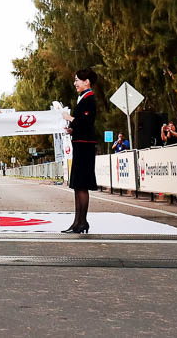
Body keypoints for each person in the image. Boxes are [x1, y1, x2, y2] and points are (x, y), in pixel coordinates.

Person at [61, 68, 100, 234]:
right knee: (77, 185)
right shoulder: (83, 98)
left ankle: (82, 222)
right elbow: (82, 124)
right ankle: (77, 222)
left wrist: (69, 118)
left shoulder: (89, 99)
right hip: (80, 143)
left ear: (87, 82)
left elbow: (86, 121)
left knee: (82, 184)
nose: (75, 83)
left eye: (78, 80)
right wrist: (72, 129)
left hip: (85, 146)